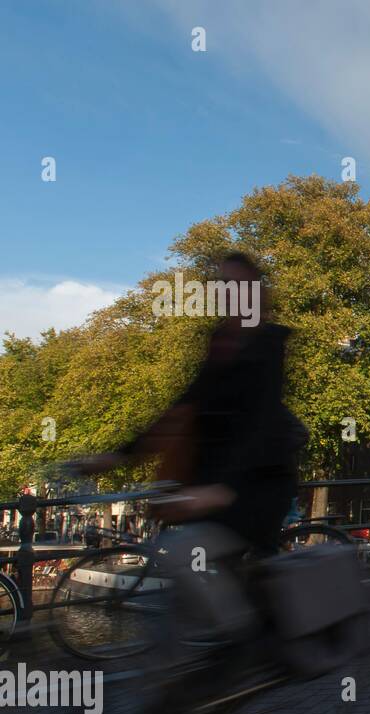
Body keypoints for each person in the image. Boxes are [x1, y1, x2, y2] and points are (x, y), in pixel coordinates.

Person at [75, 251, 306, 640]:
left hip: (256, 484)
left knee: (184, 555)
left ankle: (240, 642)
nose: (227, 293)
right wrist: (119, 455)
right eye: (222, 285)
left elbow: (261, 421)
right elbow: (185, 407)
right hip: (215, 484)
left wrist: (222, 489)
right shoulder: (220, 344)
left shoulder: (268, 344)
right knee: (195, 565)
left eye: (237, 286)